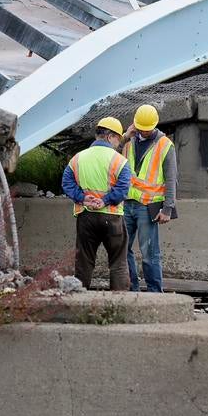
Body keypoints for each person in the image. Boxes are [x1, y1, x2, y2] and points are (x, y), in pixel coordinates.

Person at [61, 117, 132, 290]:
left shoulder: (78, 159)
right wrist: (105, 200)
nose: (118, 143)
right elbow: (123, 189)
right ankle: (120, 304)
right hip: (113, 217)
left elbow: (66, 183)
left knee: (84, 262)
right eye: (118, 138)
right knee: (118, 263)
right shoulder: (120, 161)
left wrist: (82, 198)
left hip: (86, 217)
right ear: (109, 137)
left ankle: (78, 300)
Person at [119, 104, 177, 293]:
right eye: (140, 128)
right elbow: (110, 154)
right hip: (127, 203)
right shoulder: (128, 140)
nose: (143, 132)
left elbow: (171, 178)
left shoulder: (165, 145)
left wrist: (168, 208)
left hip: (147, 206)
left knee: (149, 254)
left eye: (147, 129)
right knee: (121, 249)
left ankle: (154, 293)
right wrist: (126, 136)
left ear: (155, 126)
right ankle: (131, 289)